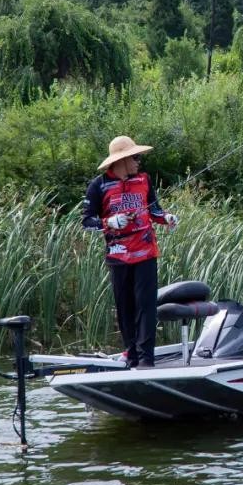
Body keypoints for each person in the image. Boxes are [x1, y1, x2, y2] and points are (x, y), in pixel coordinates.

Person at [82, 136, 178, 368]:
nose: (138, 162)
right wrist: (109, 222)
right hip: (118, 256)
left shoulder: (144, 180)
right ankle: (131, 355)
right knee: (125, 308)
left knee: (146, 307)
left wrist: (166, 218)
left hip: (146, 252)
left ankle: (146, 360)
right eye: (135, 157)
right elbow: (86, 222)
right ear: (121, 160)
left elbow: (154, 210)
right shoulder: (98, 186)